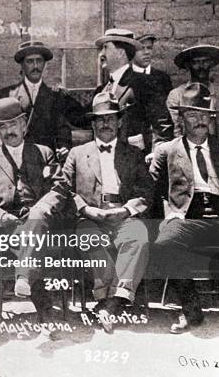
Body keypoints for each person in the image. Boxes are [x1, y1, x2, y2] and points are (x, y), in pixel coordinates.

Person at [49, 92, 153, 333]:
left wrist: (126, 209)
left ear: (119, 122)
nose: (106, 124)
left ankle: (111, 302)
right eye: (100, 119)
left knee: (138, 237)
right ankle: (109, 299)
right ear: (93, 124)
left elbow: (147, 190)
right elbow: (63, 189)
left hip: (124, 214)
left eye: (111, 118)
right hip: (90, 217)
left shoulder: (133, 154)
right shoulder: (77, 154)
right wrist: (86, 209)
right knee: (89, 237)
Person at [151, 83, 219, 334]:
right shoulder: (167, 151)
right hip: (188, 215)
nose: (200, 120)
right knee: (165, 243)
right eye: (192, 115)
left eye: (204, 115)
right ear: (182, 119)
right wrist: (170, 214)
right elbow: (154, 192)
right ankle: (191, 311)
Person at [0, 97, 70, 321]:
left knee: (35, 221)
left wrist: (42, 207)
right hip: (4, 228)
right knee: (31, 240)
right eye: (3, 126)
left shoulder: (43, 153)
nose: (9, 131)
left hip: (39, 223)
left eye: (13, 124)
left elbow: (60, 188)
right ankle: (43, 309)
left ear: (24, 124)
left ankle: (23, 277)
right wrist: (0, 216)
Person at [0, 41, 85, 157]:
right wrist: (2, 151)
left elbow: (62, 129)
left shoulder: (56, 96)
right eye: (30, 61)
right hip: (14, 156)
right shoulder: (7, 94)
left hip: (44, 158)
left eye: (39, 61)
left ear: (44, 64)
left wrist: (64, 147)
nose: (36, 66)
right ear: (22, 65)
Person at [95, 29, 171, 153]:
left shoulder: (144, 83)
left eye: (105, 48)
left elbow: (162, 126)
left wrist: (156, 157)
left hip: (137, 163)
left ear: (120, 53)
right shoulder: (101, 90)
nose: (101, 54)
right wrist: (61, 95)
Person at [167, 44, 219, 138]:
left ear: (211, 63)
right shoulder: (176, 95)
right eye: (196, 62)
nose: (201, 66)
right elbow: (175, 129)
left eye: (205, 62)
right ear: (188, 66)